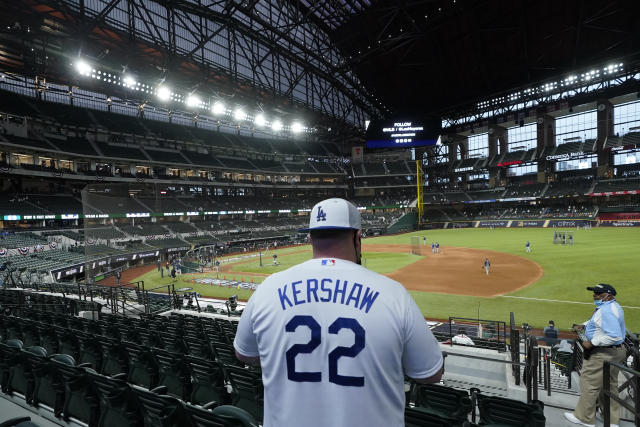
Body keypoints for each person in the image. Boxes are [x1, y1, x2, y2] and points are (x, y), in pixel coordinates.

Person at [234, 198, 444, 427]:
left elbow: (244, 354)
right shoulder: (393, 294)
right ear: (357, 237)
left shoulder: (268, 288)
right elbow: (430, 373)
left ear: (310, 237)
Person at [564, 284, 626, 427]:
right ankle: (612, 420)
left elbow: (615, 336)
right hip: (616, 352)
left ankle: (584, 418)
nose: (595, 296)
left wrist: (592, 342)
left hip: (604, 352)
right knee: (609, 385)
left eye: (598, 294)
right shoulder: (613, 306)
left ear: (608, 296)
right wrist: (584, 325)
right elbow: (599, 323)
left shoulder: (606, 311)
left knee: (589, 383)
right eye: (594, 293)